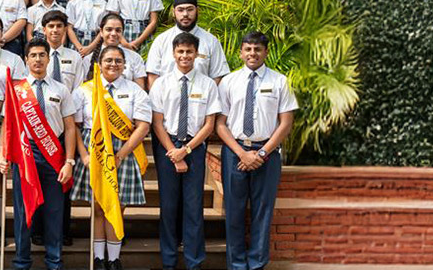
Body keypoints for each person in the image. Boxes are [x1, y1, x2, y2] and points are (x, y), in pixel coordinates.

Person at [215, 31, 296, 270]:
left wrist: (262, 154)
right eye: (248, 49)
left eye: (257, 49)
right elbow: (220, 124)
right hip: (235, 153)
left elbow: (286, 122)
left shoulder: (279, 81)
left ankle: (258, 264)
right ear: (240, 53)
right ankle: (237, 265)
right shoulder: (229, 82)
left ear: (266, 52)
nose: (252, 53)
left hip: (267, 154)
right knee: (234, 212)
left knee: (262, 212)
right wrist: (242, 153)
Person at [67, 44, 152, 270]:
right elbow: (74, 126)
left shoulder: (135, 91)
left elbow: (143, 126)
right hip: (93, 151)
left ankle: (114, 259)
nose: (113, 64)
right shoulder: (84, 90)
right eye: (108, 60)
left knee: (117, 206)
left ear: (124, 65)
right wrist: (84, 155)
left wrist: (120, 155)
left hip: (124, 150)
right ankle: (98, 258)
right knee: (97, 206)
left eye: (118, 61)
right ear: (99, 64)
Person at [2, 38, 81, 270]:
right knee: (23, 209)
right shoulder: (16, 90)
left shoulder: (61, 89)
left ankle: (54, 261)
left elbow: (70, 128)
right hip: (25, 154)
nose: (37, 59)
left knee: (55, 210)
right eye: (33, 55)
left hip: (54, 154)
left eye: (42, 55)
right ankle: (21, 261)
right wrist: (3, 156)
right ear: (26, 60)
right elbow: (8, 125)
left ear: (48, 58)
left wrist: (69, 161)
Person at [149, 32, 221, 270]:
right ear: (173, 53)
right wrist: (174, 152)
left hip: (195, 148)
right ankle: (168, 261)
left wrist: (186, 150)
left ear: (196, 54)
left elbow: (209, 125)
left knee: (193, 206)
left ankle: (194, 262)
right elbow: (157, 123)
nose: (185, 56)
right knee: (169, 206)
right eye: (180, 51)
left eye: (189, 51)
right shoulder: (161, 84)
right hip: (167, 147)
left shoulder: (207, 84)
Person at [144, 0, 231, 87]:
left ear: (197, 10)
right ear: (173, 12)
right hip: (167, 95)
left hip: (202, 95)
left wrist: (207, 94)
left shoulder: (211, 41)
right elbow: (153, 75)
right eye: (180, 10)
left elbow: (218, 76)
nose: (185, 14)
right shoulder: (161, 40)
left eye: (190, 9)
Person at [73, 14, 148, 88]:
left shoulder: (134, 57)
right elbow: (85, 89)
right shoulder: (88, 59)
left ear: (122, 33)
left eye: (118, 30)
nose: (113, 33)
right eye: (109, 29)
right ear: (101, 32)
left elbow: (140, 88)